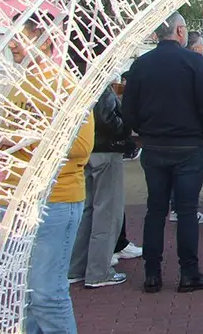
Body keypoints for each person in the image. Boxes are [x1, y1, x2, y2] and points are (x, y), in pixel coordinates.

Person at [5, 12, 95, 332]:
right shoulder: (21, 82)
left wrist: (18, 139)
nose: (11, 44)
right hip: (21, 199)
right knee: (28, 295)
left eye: (19, 36)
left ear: (42, 39)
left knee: (47, 294)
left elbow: (82, 147)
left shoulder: (63, 85)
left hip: (54, 200)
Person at [121, 12, 203, 294]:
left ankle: (152, 273)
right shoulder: (193, 62)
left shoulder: (141, 64)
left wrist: (144, 131)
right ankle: (188, 272)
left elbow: (128, 109)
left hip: (154, 145)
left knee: (156, 210)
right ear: (179, 31)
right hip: (188, 145)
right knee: (187, 211)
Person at [69, 78, 131, 288]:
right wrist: (124, 129)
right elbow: (105, 118)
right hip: (105, 150)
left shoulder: (74, 81)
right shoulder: (98, 83)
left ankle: (76, 267)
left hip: (86, 150)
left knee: (87, 210)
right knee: (107, 211)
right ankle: (98, 270)